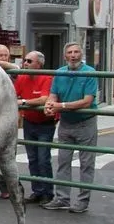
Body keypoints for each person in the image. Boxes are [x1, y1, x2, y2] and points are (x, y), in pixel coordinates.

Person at [42, 42, 98, 214]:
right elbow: (53, 95)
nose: (73, 55)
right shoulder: (60, 73)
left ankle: (82, 201)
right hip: (66, 122)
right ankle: (62, 198)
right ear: (65, 56)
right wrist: (49, 105)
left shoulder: (90, 72)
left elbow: (87, 101)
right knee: (63, 161)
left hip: (85, 122)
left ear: (81, 54)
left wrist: (61, 106)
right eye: (70, 52)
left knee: (86, 163)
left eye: (76, 52)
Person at [14, 50, 57, 205]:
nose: (25, 63)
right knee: (32, 158)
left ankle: (47, 193)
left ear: (39, 64)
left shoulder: (46, 77)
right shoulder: (22, 77)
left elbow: (45, 99)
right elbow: (13, 94)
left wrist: (24, 102)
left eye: (29, 61)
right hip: (29, 122)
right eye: (25, 60)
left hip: (45, 123)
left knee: (43, 158)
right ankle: (37, 191)